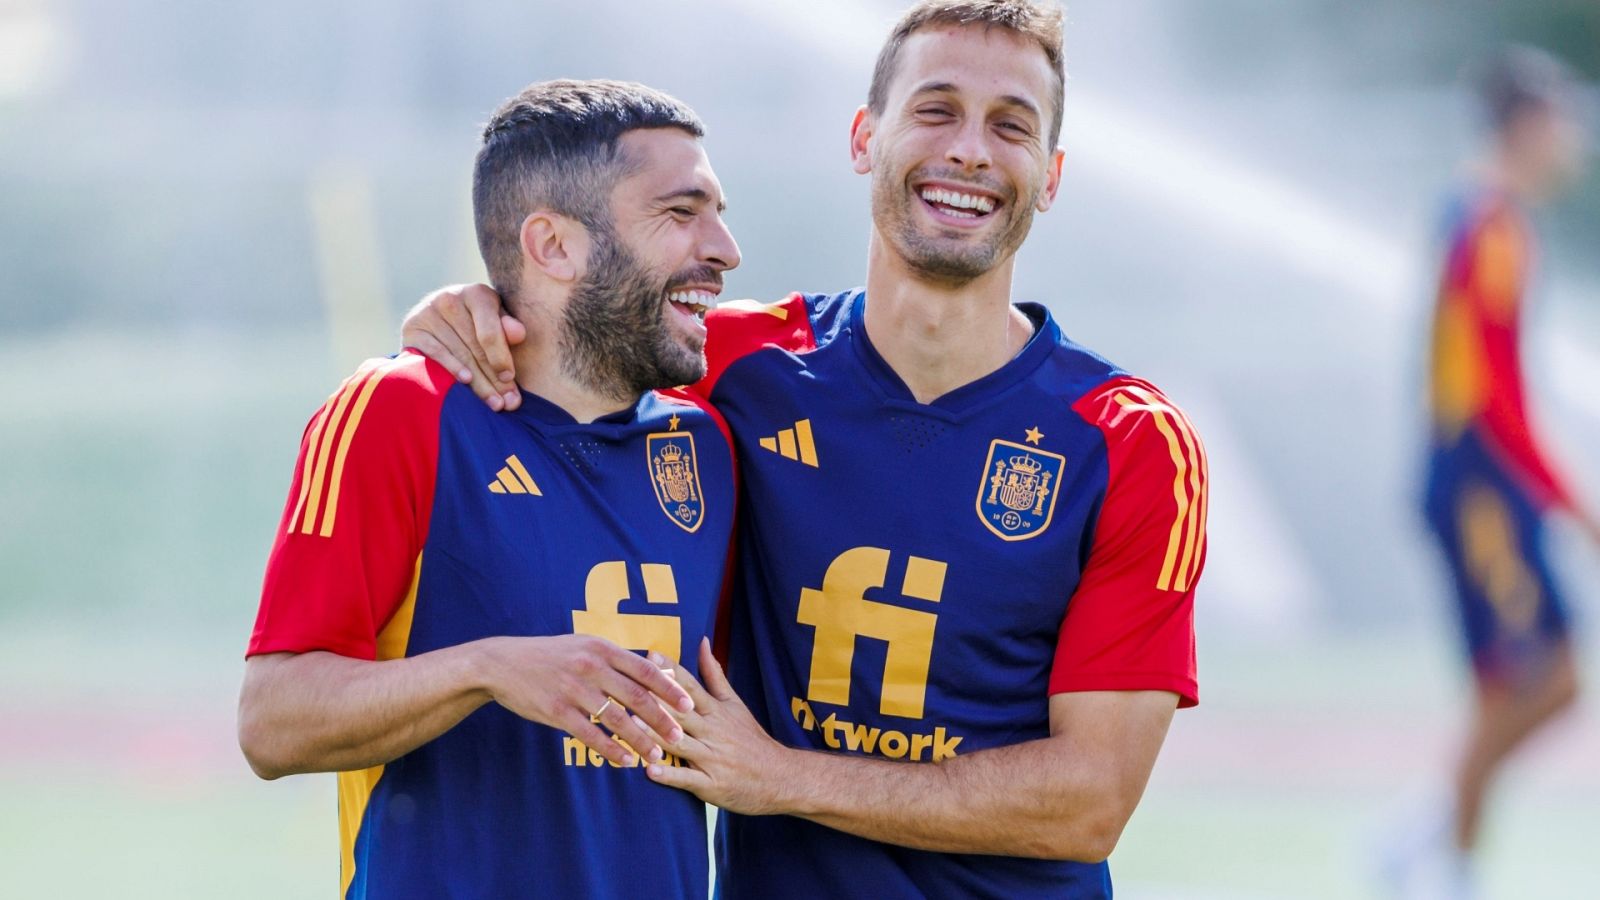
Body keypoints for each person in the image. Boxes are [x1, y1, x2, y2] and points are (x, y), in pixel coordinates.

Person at [403, 2, 1206, 897]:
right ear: (865, 137)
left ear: (1049, 176)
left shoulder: (1131, 440)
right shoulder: (730, 363)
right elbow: (570, 331)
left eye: (1011, 126)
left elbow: (1089, 802)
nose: (971, 151)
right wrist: (472, 310)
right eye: (936, 109)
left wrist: (779, 777)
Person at [237, 79, 745, 899]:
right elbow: (272, 721)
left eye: (718, 213)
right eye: (681, 213)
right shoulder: (400, 412)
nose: (724, 248)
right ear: (552, 246)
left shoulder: (710, 444)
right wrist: (487, 669)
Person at [1395, 45, 1598, 898]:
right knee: (1526, 680)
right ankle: (1444, 864)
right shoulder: (1492, 224)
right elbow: (1496, 396)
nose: (1573, 137)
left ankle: (1426, 840)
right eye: (1561, 118)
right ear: (1526, 124)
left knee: (1543, 682)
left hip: (1486, 486)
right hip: (1479, 488)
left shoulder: (1486, 214)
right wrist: (1573, 503)